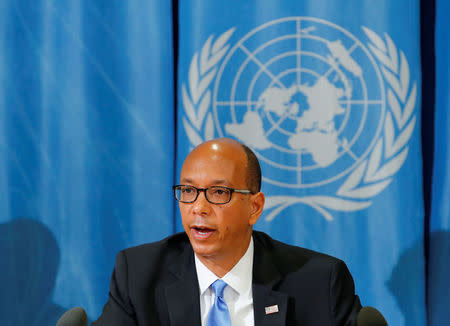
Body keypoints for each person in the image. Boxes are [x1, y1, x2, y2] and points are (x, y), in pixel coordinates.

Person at [92, 138, 361, 326]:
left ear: (254, 207)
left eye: (219, 192)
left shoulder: (319, 282)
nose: (198, 207)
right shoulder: (139, 275)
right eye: (188, 191)